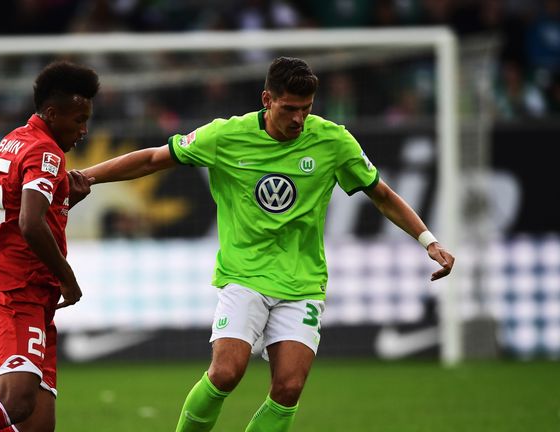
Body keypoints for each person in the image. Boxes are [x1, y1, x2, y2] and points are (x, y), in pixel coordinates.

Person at [82, 56, 455, 432]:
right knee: (226, 373)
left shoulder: (332, 140)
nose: (298, 119)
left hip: (302, 281)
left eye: (306, 110)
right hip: (244, 274)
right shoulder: (225, 136)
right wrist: (86, 176)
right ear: (267, 99)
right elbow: (151, 160)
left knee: (289, 387)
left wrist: (428, 240)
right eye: (290, 108)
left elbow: (382, 194)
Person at [0, 60, 98, 432]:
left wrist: (62, 199)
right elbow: (29, 222)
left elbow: (16, 212)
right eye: (78, 119)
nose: (84, 130)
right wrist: (68, 277)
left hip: (26, 290)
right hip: (13, 289)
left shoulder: (14, 138)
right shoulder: (46, 152)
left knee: (38, 423)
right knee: (17, 400)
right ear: (53, 113)